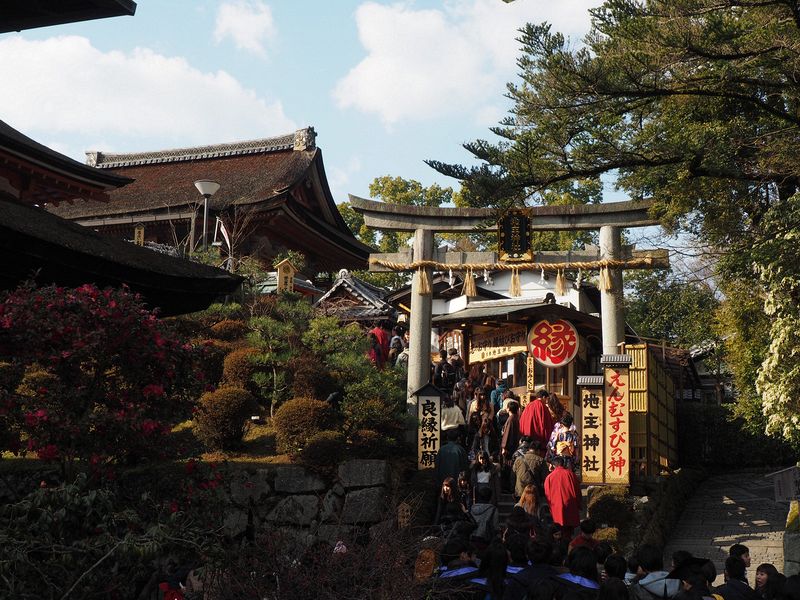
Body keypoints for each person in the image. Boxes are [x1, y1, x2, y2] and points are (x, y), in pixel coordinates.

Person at [544, 455, 581, 540]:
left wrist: (551, 507)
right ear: (563, 464)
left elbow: (547, 495)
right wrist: (578, 504)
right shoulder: (571, 474)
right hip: (570, 505)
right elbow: (577, 490)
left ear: (553, 465)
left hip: (556, 507)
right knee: (569, 531)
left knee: (558, 529)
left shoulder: (549, 477)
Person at [469, 485, 499, 550]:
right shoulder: (493, 509)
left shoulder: (472, 508)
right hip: (486, 539)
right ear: (490, 497)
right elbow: (495, 526)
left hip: (473, 537)